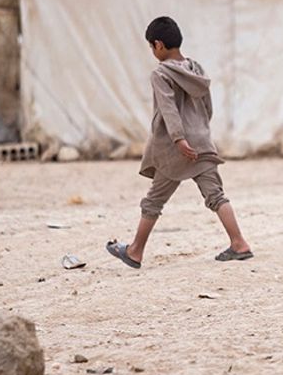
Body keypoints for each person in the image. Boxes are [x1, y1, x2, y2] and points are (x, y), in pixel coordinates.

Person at [106, 16, 252, 268]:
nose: (152, 51)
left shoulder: (161, 73)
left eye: (151, 47)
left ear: (159, 45)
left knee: (154, 201)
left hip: (175, 148)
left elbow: (168, 109)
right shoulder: (196, 69)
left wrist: (179, 138)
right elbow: (208, 106)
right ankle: (239, 243)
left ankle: (135, 251)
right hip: (202, 140)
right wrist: (200, 130)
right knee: (216, 195)